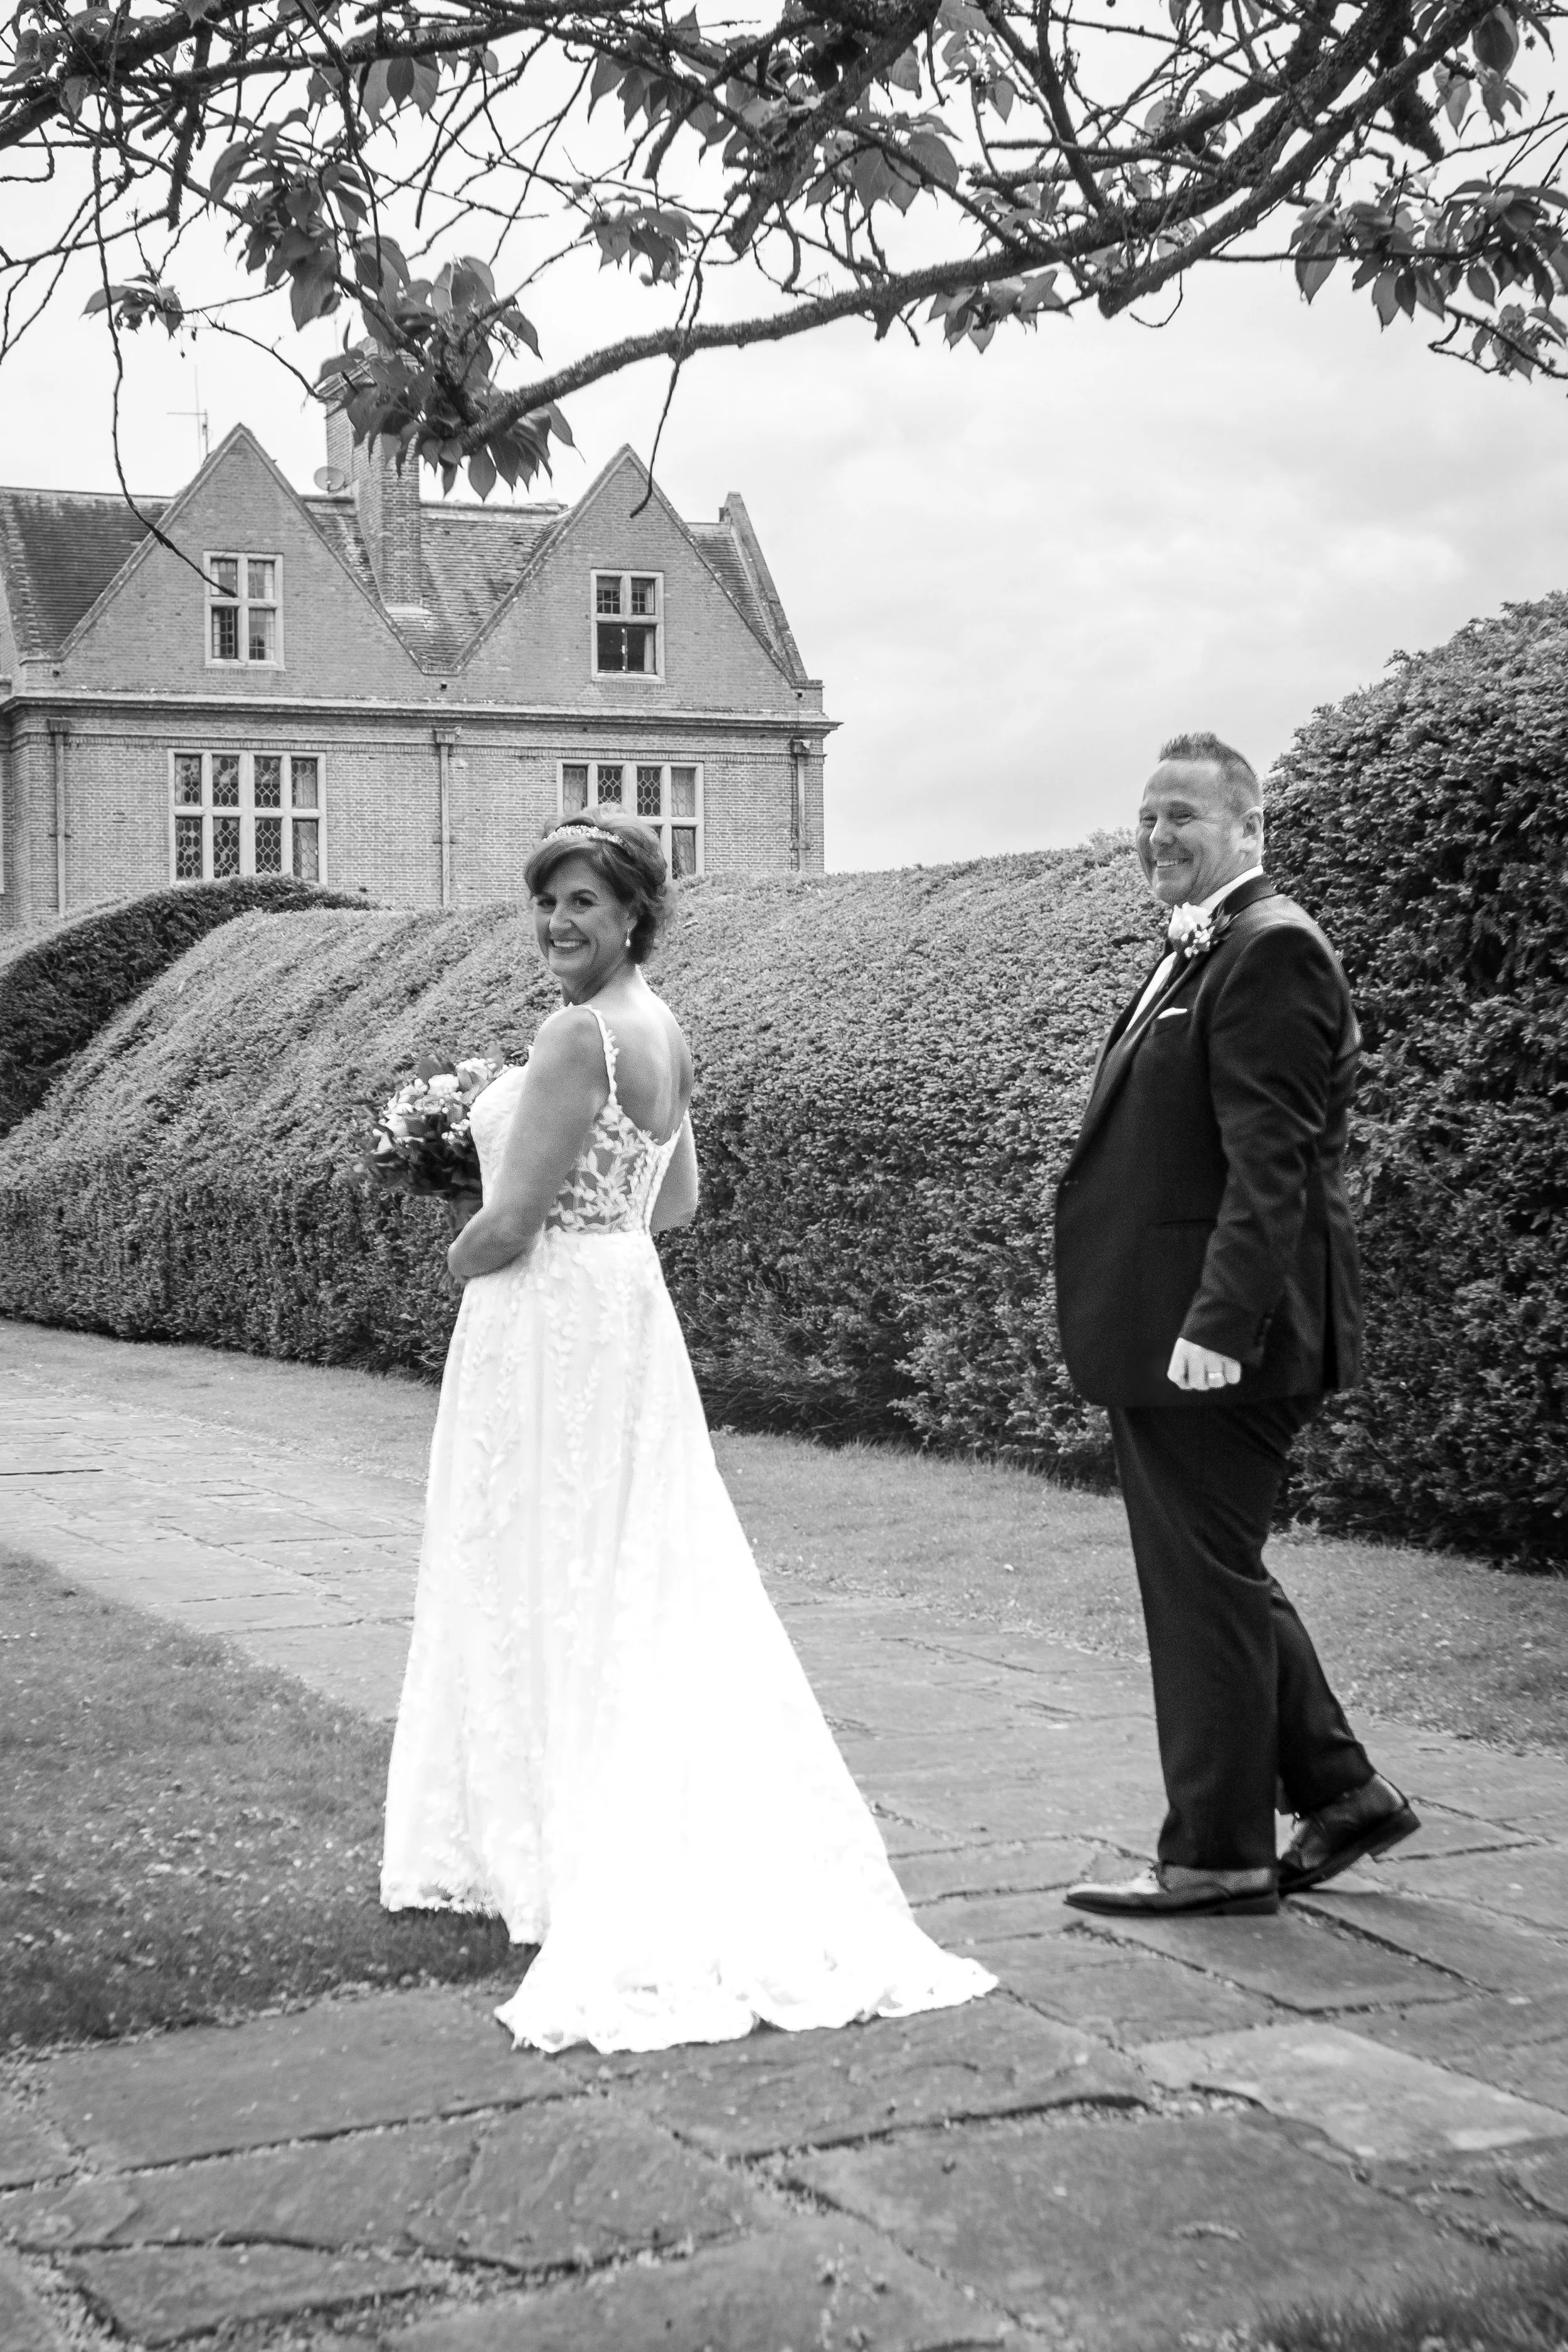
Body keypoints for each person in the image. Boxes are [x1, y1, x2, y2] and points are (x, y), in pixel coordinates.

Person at [381, 806, 993, 2050]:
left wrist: (460, 1250)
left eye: (583, 906)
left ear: (631, 918)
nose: (559, 925)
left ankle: (560, 1856)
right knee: (628, 1566)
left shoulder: (572, 1035)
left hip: (548, 1323)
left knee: (540, 1561)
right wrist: (579, 1218)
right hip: (625, 1315)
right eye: (546, 903)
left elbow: (509, 1225)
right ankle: (578, 1832)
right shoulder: (659, 1030)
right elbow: (679, 1201)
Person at [1053, 733, 1418, 1917]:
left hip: (1224, 1337)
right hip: (1180, 1325)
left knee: (1200, 1586)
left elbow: (1274, 1166)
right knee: (1217, 1569)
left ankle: (1216, 1853)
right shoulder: (1206, 945)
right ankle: (1344, 1791)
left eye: (1186, 818)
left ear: (1250, 831)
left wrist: (1220, 1323)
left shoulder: (1271, 949)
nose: (1158, 835)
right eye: (1148, 814)